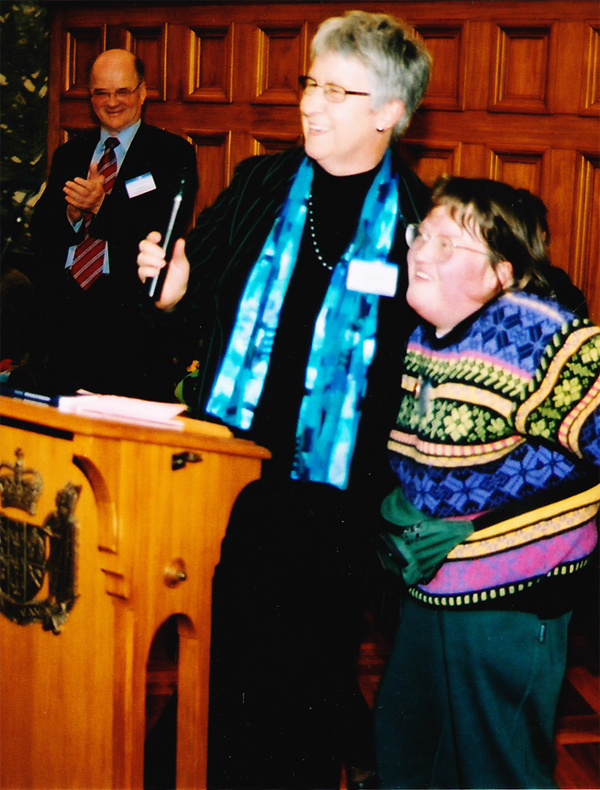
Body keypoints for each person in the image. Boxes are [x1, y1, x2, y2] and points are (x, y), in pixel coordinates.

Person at [137, 11, 432, 788]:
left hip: (332, 500)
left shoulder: (418, 223)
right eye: (311, 82)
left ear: (389, 112)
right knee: (219, 669)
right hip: (227, 470)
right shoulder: (263, 184)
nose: (312, 102)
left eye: (338, 90)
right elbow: (196, 291)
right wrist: (174, 291)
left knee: (302, 687)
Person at [374, 175, 600, 789]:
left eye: (449, 246)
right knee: (408, 749)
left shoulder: (538, 335)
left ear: (501, 274)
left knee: (495, 770)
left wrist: (487, 527)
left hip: (511, 596)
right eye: (422, 236)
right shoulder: (428, 332)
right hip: (434, 585)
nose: (419, 252)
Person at [29, 49, 198, 401]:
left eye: (122, 91)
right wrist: (72, 215)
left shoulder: (172, 154)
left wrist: (101, 205)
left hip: (127, 319)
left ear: (142, 92)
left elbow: (164, 229)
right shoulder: (70, 154)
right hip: (65, 315)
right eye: (101, 93)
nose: (112, 102)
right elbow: (42, 229)